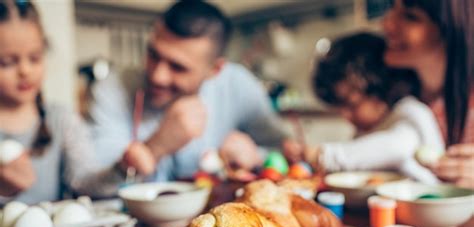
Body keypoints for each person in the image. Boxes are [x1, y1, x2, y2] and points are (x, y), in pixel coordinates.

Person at [89, 0, 290, 181]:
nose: (158, 76)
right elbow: (93, 184)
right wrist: (155, 147)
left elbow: (287, 153)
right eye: (153, 54)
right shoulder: (114, 87)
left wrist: (257, 156)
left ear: (215, 69)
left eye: (178, 67)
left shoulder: (238, 83)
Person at [0, 0, 142, 205]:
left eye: (35, 58)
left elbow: (84, 183)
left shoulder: (60, 119)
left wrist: (121, 168)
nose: (25, 70)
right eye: (7, 62)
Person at [302, 33, 444, 183]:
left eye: (351, 104)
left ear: (381, 88)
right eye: (339, 107)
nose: (345, 115)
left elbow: (397, 148)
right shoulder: (366, 129)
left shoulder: (411, 111)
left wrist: (324, 155)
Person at [382, 0, 474, 188]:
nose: (387, 23)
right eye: (392, 8)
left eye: (411, 17)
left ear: (452, 28)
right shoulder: (391, 95)